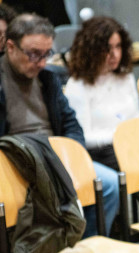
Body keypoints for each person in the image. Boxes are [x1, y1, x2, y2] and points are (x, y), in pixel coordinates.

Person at [0, 14, 119, 237]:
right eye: (34, 54)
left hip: (56, 157)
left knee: (110, 185)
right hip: (15, 163)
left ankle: (83, 245)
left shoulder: (48, 78)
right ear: (10, 47)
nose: (42, 62)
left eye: (47, 54)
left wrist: (71, 154)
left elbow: (71, 124)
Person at [65, 16, 139, 173]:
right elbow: (82, 137)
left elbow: (136, 120)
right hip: (101, 152)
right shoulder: (78, 85)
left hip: (131, 145)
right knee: (130, 159)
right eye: (107, 48)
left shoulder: (126, 77)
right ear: (91, 50)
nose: (114, 54)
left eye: (118, 46)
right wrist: (118, 136)